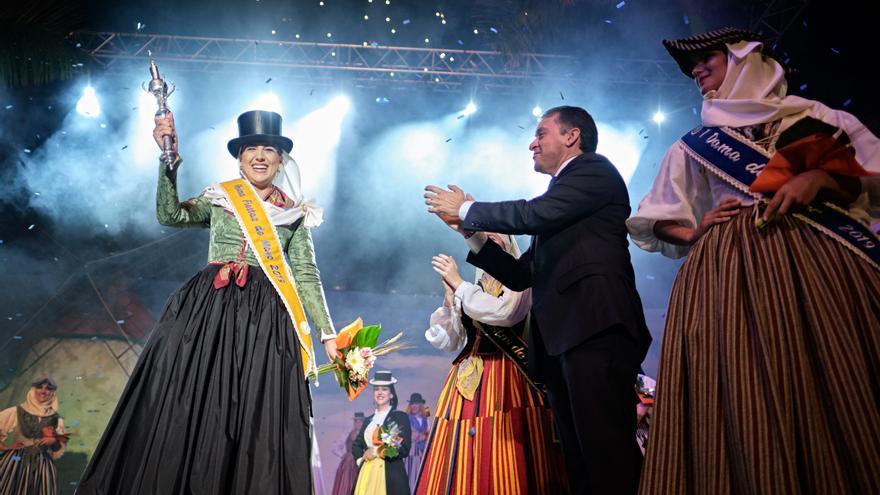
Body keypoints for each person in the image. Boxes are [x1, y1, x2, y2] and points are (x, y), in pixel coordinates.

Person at [627, 27, 880, 493]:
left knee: (834, 379)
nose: (697, 70)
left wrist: (820, 178)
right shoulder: (694, 144)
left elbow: (873, 175)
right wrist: (695, 229)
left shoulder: (816, 117)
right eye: (691, 67)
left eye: (708, 59)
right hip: (729, 274)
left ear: (744, 59)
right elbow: (655, 217)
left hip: (820, 267)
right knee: (742, 386)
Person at [77, 109, 338, 494]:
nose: (260, 156)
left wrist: (328, 333)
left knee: (256, 415)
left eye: (269, 149)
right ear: (240, 157)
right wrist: (168, 165)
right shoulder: (221, 198)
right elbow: (169, 215)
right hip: (208, 314)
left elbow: (306, 275)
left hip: (264, 323)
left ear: (281, 160)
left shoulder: (294, 214)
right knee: (191, 405)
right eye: (251, 149)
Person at [424, 105, 652, 494]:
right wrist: (469, 232)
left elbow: (532, 214)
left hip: (595, 331)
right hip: (564, 343)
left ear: (571, 136)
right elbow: (520, 275)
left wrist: (468, 209)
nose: (532, 142)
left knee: (607, 455)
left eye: (541, 133)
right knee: (578, 461)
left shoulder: (594, 172)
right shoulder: (560, 201)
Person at [417, 233, 568, 494]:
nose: (490, 236)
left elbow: (506, 314)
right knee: (460, 447)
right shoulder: (470, 285)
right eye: (484, 232)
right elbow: (450, 340)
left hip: (507, 377)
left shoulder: (520, 279)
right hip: (465, 381)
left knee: (502, 448)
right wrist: (449, 298)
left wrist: (459, 284)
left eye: (497, 230)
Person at [0, 377, 68, 495]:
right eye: (39, 387)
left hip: (42, 465)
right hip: (16, 462)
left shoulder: (56, 419)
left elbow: (58, 449)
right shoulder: (17, 411)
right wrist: (5, 447)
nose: (43, 391)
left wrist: (53, 440)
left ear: (53, 392)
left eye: (48, 388)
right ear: (33, 389)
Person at [351, 371, 411, 495]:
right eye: (376, 389)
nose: (380, 392)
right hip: (367, 474)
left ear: (391, 394)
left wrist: (377, 451)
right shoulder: (368, 420)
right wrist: (361, 460)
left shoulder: (399, 417)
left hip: (390, 475)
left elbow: (404, 448)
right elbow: (356, 445)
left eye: (384, 389)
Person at [330, 412, 364, 495]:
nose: (358, 423)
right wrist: (343, 455)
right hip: (349, 464)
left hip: (361, 462)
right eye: (356, 421)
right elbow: (335, 447)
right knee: (346, 483)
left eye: (360, 421)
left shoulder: (366, 435)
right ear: (354, 423)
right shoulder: (346, 435)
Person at [403, 393, 429, 489]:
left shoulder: (426, 417)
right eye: (412, 404)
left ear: (420, 405)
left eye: (416, 403)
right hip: (411, 452)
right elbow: (405, 434)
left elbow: (430, 431)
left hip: (423, 451)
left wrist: (425, 435)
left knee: (421, 476)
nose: (414, 406)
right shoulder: (407, 418)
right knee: (411, 474)